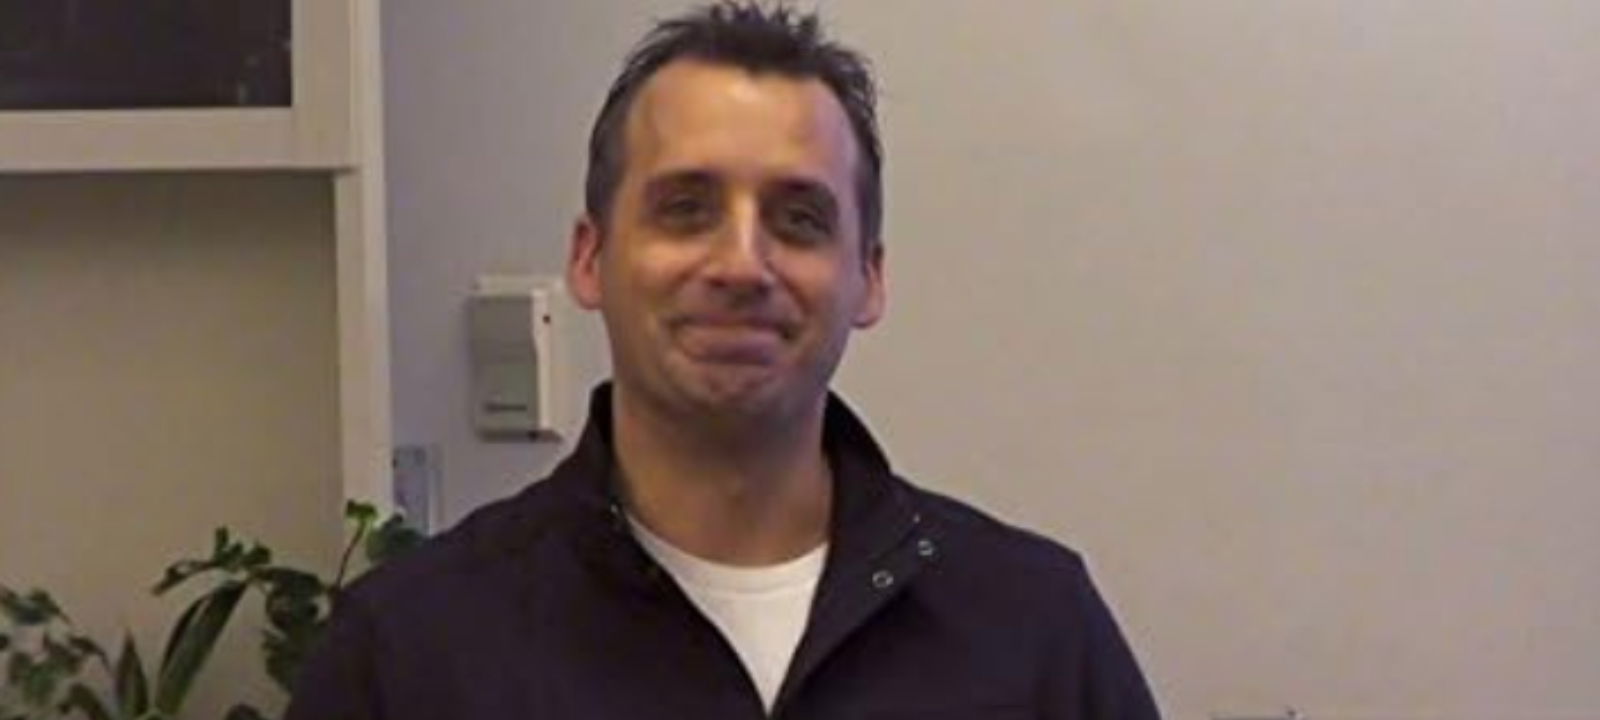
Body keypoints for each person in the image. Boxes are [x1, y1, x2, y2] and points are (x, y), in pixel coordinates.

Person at [286, 3, 1161, 718]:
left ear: (868, 279)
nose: (743, 264)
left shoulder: (1034, 633)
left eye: (800, 219)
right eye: (685, 209)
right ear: (590, 258)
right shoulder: (411, 657)